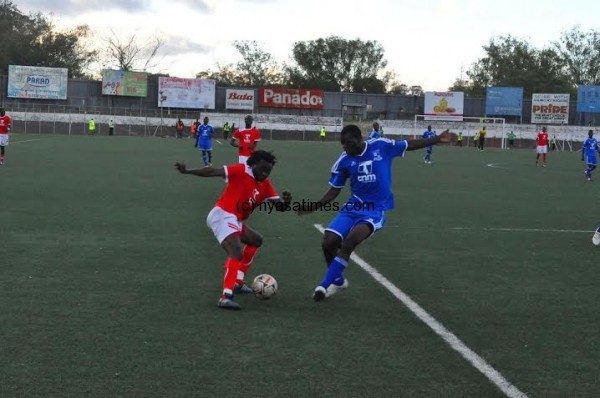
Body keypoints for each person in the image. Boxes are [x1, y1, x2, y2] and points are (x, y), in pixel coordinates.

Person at [297, 124, 451, 301]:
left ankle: (323, 287)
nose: (345, 147)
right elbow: (334, 190)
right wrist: (313, 206)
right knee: (328, 242)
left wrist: (437, 139)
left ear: (360, 138)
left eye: (348, 143)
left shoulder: (381, 145)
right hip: (353, 207)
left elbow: (409, 145)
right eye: (343, 144)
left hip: (375, 209)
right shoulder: (344, 161)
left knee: (350, 242)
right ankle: (338, 281)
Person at [174, 150, 291, 310]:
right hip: (222, 214)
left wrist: (286, 202)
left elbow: (280, 206)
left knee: (256, 240)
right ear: (253, 164)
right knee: (236, 251)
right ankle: (225, 296)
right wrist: (187, 171)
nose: (264, 174)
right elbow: (212, 171)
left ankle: (237, 282)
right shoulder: (242, 170)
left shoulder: (265, 184)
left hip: (234, 219)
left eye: (268, 171)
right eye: (262, 169)